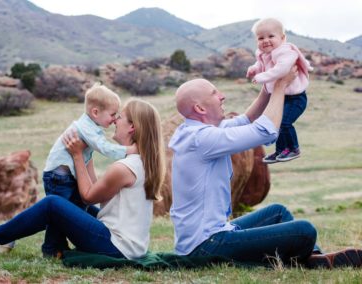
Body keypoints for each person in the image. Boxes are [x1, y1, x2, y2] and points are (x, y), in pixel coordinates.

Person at [169, 75, 362, 269]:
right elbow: (266, 131)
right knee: (305, 231)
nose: (222, 96)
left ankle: (315, 258)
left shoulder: (196, 131)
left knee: (278, 212)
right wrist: (280, 87)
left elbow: (247, 120)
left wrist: (267, 88)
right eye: (214, 93)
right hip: (206, 246)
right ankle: (313, 259)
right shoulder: (201, 138)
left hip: (208, 237)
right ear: (200, 108)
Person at [0, 99, 166, 261]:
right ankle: (8, 238)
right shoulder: (140, 162)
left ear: (132, 127)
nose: (114, 120)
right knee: (65, 204)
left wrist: (77, 156)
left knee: (53, 204)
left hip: (116, 246)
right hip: (129, 245)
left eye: (119, 117)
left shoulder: (123, 168)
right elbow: (96, 191)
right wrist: (87, 153)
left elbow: (88, 197)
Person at [41, 83, 137, 256]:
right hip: (58, 177)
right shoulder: (85, 128)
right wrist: (130, 150)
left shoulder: (91, 127)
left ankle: (59, 246)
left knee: (73, 209)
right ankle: (51, 248)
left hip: (67, 177)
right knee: (58, 214)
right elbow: (105, 148)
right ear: (95, 112)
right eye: (113, 114)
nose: (115, 119)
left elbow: (88, 157)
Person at [246, 18, 313, 164]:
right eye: (261, 38)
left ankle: (293, 148)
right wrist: (254, 69)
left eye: (271, 36)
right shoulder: (265, 54)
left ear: (282, 38)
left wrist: (263, 76)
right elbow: (261, 64)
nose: (266, 40)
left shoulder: (285, 52)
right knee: (276, 124)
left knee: (284, 122)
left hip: (295, 98)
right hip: (281, 96)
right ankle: (281, 150)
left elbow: (281, 69)